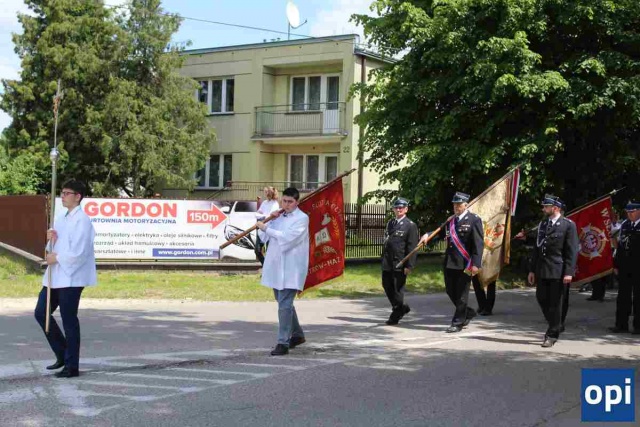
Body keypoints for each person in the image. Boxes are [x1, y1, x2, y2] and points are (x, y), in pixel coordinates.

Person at [34, 180, 97, 378]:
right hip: (55, 275)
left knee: (69, 319)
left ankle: (72, 366)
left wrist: (58, 258)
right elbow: (54, 246)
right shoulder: (61, 217)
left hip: (72, 277)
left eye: (67, 193)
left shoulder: (83, 221)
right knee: (41, 313)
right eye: (62, 192)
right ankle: (62, 354)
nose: (63, 196)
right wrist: (51, 239)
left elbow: (80, 252)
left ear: (78, 196)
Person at [256, 187, 309, 356]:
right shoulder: (278, 216)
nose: (286, 204)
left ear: (297, 202)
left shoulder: (302, 218)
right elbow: (264, 237)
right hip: (276, 266)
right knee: (282, 302)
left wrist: (267, 229)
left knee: (284, 305)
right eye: (284, 201)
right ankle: (297, 335)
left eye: (290, 202)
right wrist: (270, 221)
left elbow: (287, 238)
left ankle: (283, 342)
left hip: (291, 268)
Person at [420, 192, 483, 333]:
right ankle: (468, 312)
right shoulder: (451, 221)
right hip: (450, 262)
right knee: (450, 291)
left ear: (466, 205)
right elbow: (440, 233)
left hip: (465, 263)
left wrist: (476, 263)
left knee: (461, 294)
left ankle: (457, 322)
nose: (456, 207)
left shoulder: (474, 220)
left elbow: (478, 244)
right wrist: (427, 235)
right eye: (454, 204)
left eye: (459, 204)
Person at [528, 194, 579, 348]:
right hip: (542, 269)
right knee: (541, 298)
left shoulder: (568, 225)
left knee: (555, 303)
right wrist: (532, 270)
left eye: (546, 207)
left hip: (558, 270)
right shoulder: (543, 224)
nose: (543, 209)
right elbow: (537, 249)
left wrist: (569, 272)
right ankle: (556, 324)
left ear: (555, 208)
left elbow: (572, 251)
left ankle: (552, 334)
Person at [381, 198, 419, 325]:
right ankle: (401, 308)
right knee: (386, 285)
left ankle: (396, 315)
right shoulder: (390, 223)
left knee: (398, 289)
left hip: (400, 262)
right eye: (396, 207)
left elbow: (412, 247)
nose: (398, 209)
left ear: (406, 209)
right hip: (388, 261)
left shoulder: (410, 225)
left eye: (401, 207)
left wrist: (409, 265)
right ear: (393, 209)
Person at [608, 200, 640, 334]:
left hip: (638, 266)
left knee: (638, 297)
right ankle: (621, 324)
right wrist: (616, 264)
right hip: (625, 266)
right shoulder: (625, 224)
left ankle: (638, 326)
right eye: (628, 212)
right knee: (623, 297)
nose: (629, 214)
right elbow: (620, 247)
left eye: (632, 212)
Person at [255, 187, 280, 266]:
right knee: (257, 250)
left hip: (270, 229)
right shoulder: (264, 202)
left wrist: (264, 216)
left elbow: (271, 216)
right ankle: (265, 265)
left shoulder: (275, 204)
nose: (266, 194)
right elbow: (259, 212)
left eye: (267, 192)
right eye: (265, 192)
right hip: (261, 228)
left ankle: (269, 268)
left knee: (270, 252)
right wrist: (259, 215)